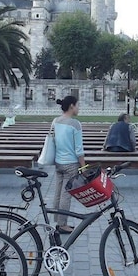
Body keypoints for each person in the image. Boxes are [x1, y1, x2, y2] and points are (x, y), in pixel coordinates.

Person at [51, 95, 87, 234]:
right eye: (78, 105)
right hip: (71, 164)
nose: (79, 108)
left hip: (58, 162)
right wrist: (83, 167)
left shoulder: (56, 121)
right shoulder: (75, 124)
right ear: (72, 106)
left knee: (58, 193)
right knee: (66, 195)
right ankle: (63, 224)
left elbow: (53, 140)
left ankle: (58, 221)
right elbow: (79, 149)